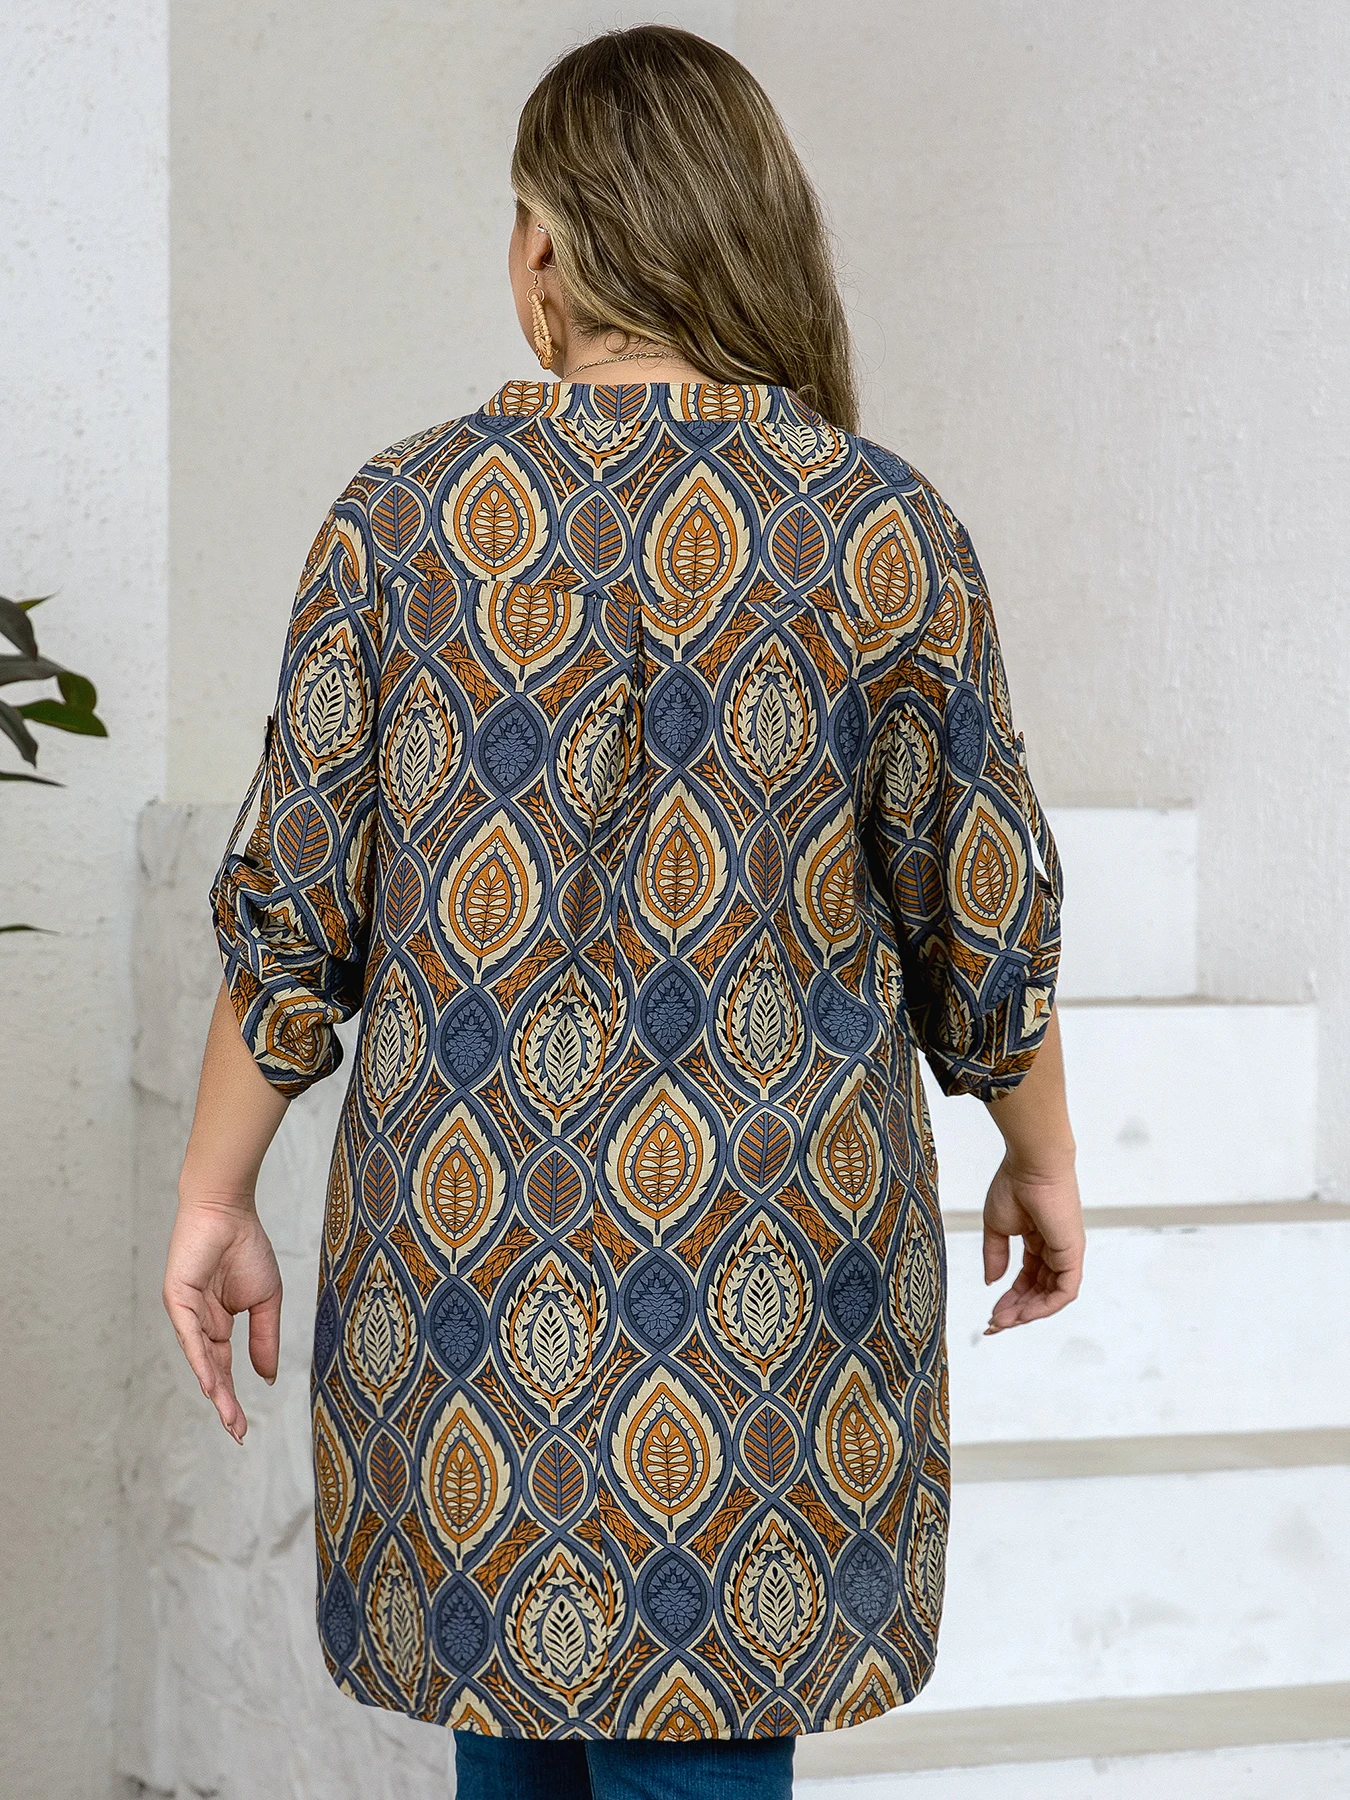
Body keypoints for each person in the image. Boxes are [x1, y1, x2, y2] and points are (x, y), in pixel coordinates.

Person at [163, 23, 1083, 1800]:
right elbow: (980, 926)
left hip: (466, 1304)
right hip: (765, 1309)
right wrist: (1037, 1164)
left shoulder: (398, 521)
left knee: (508, 1754)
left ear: (546, 248)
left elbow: (289, 924)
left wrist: (215, 1198)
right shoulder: (879, 530)